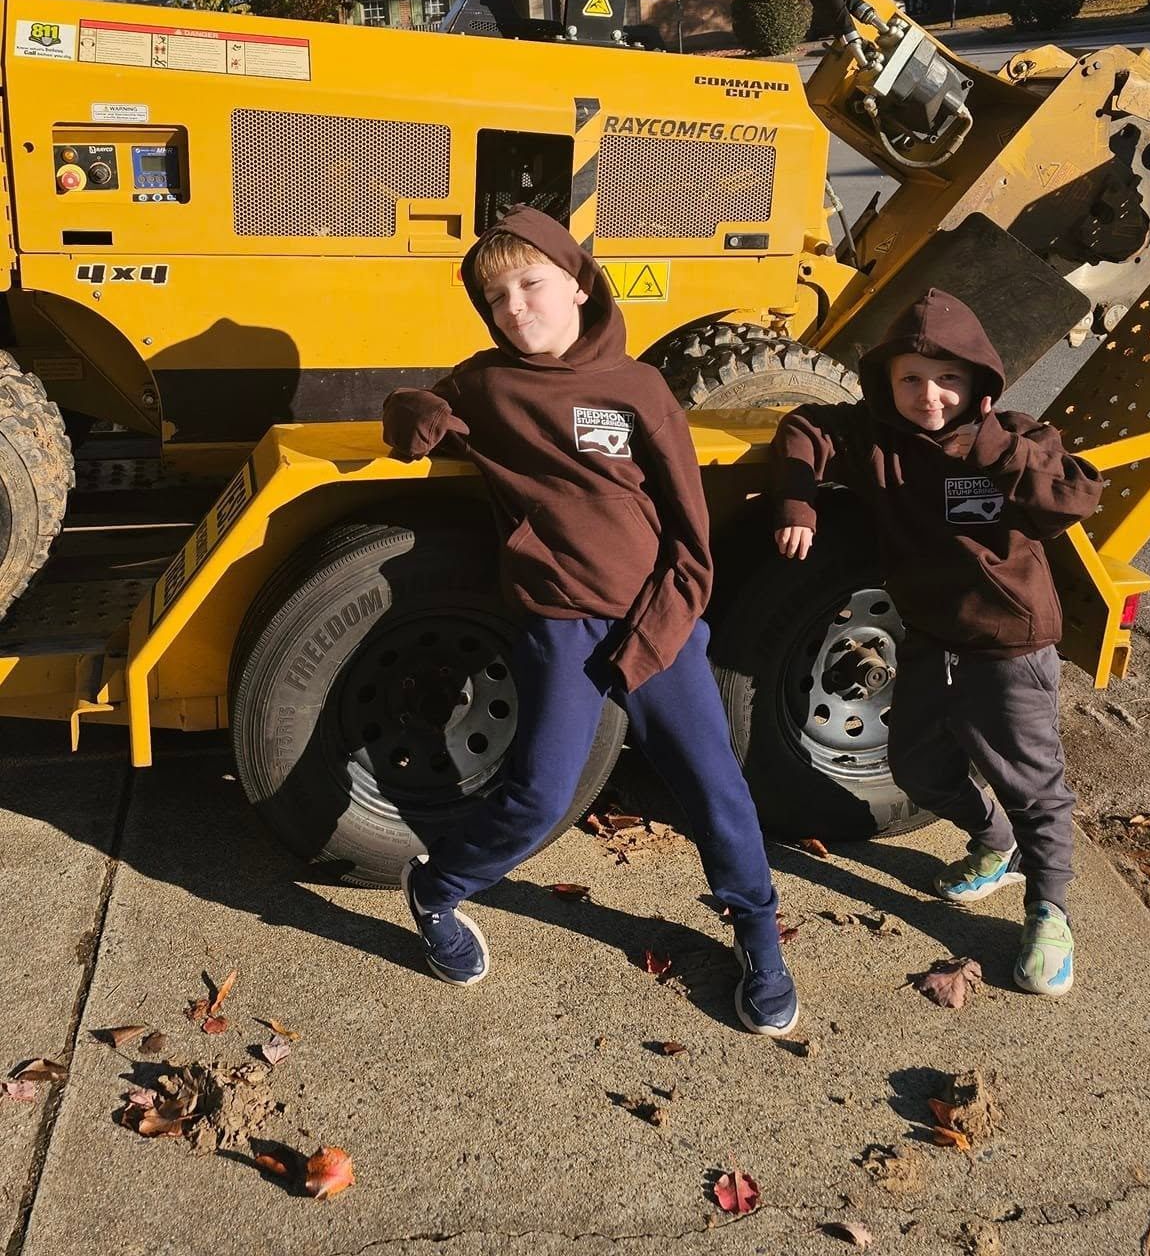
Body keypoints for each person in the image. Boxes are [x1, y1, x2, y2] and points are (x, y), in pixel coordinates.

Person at [381, 205, 797, 1036]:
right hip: (558, 625)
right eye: (495, 299)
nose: (515, 308)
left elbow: (690, 530)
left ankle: (759, 936)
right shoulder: (487, 384)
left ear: (577, 285)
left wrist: (662, 627)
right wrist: (415, 419)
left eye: (531, 285)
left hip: (659, 617)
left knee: (716, 791)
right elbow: (413, 408)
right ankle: (437, 889)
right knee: (537, 798)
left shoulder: (638, 388)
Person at [770, 289, 1103, 996]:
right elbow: (804, 426)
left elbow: (1073, 498)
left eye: (950, 379)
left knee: (1034, 788)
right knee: (916, 769)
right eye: (912, 379)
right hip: (927, 638)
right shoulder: (876, 438)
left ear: (979, 382)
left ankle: (1050, 910)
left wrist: (994, 449)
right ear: (887, 382)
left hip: (1008, 644)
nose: (930, 396)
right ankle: (992, 839)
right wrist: (796, 499)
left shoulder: (1016, 436)